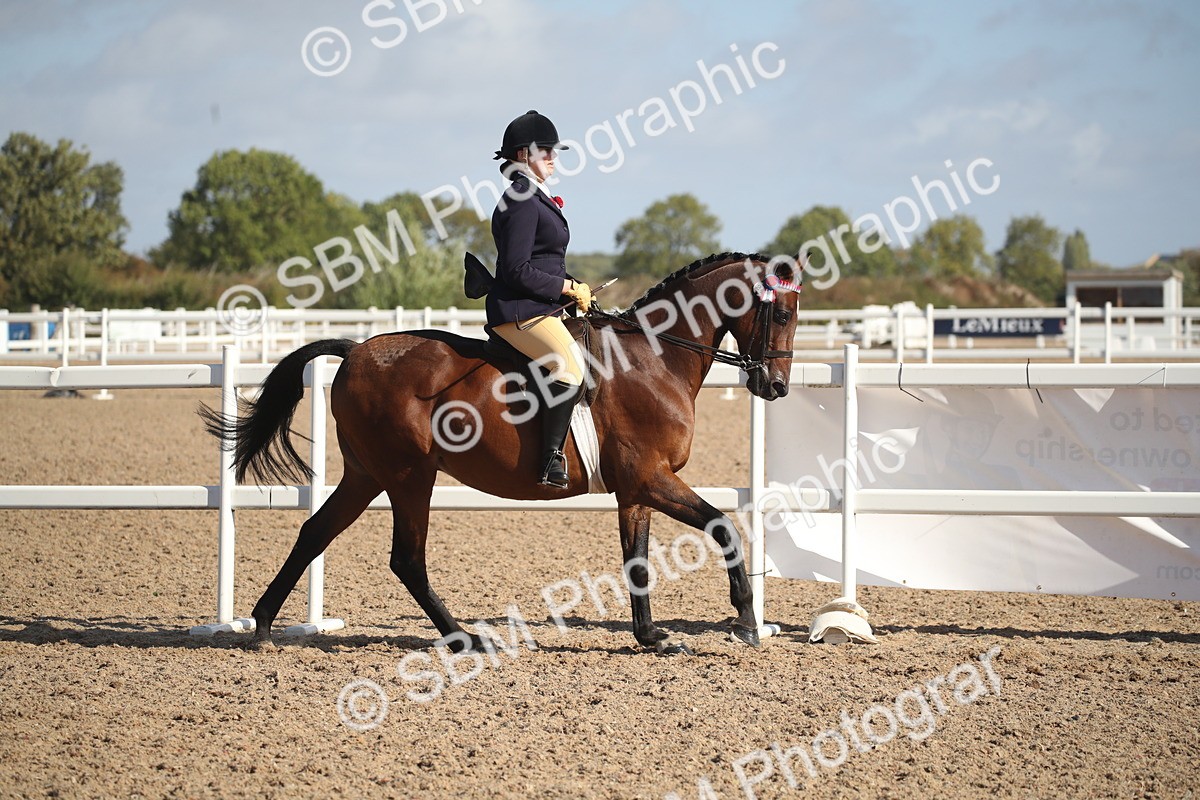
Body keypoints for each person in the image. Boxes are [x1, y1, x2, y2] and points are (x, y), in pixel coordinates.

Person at [488, 110, 593, 489]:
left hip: (540, 306)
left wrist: (577, 286)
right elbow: (516, 269)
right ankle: (550, 458)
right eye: (544, 150)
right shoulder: (520, 198)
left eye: (553, 150)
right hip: (520, 311)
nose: (553, 156)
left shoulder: (535, 196)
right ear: (521, 155)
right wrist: (565, 288)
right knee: (570, 368)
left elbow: (543, 261)